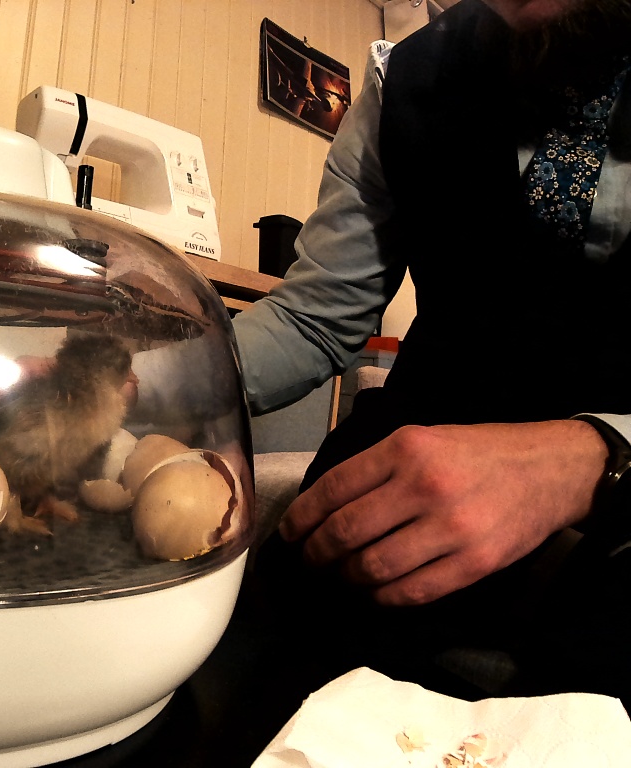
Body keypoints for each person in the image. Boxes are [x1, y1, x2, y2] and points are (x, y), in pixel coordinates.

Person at [234, 0, 631, 703]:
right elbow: (313, 317)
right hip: (402, 491)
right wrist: (150, 377)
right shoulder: (407, 80)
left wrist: (597, 454)